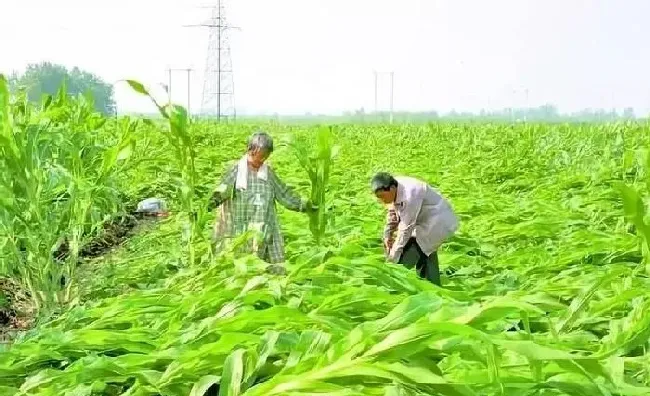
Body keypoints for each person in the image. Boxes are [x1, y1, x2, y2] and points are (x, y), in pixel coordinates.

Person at [210, 131, 316, 267]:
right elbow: (219, 194)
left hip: (263, 228)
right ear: (250, 150)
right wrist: (202, 209)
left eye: (265, 157)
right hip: (238, 229)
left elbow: (284, 194)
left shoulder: (268, 174)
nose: (261, 160)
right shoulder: (236, 171)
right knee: (237, 264)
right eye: (258, 156)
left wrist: (305, 205)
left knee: (264, 266)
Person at [371, 172, 458, 285]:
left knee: (406, 258)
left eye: (382, 197)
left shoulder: (410, 194)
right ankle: (434, 291)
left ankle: (392, 284)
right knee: (426, 254)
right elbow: (392, 213)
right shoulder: (394, 187)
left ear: (391, 189)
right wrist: (387, 236)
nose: (381, 200)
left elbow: (406, 228)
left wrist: (393, 256)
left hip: (436, 222)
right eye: (378, 198)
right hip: (424, 222)